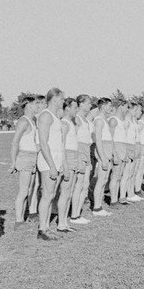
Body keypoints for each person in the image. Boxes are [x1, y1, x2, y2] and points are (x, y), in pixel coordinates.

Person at [36, 89, 65, 239]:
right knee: (47, 195)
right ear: (54, 99)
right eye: (61, 99)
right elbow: (43, 143)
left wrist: (61, 163)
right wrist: (52, 166)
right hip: (48, 160)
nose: (63, 102)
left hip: (56, 159)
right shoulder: (46, 115)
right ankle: (42, 229)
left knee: (52, 194)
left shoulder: (55, 116)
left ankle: (46, 226)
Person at [10, 96, 39, 229]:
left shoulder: (33, 121)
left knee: (31, 188)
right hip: (25, 157)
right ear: (29, 106)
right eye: (35, 104)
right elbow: (15, 142)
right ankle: (18, 221)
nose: (37, 106)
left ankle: (27, 216)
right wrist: (13, 162)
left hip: (33, 156)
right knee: (23, 190)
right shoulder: (23, 121)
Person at [70, 95, 94, 223]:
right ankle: (74, 215)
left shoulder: (86, 120)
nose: (90, 105)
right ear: (81, 104)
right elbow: (73, 138)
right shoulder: (77, 119)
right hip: (79, 150)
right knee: (79, 184)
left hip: (86, 150)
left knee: (85, 184)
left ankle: (78, 213)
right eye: (88, 103)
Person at [57, 98, 79, 233]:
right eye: (74, 107)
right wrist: (65, 166)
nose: (76, 110)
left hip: (74, 156)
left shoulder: (71, 123)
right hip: (68, 158)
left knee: (70, 192)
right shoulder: (64, 124)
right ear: (67, 108)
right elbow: (62, 147)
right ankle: (61, 223)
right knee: (65, 192)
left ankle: (64, 222)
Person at [91, 98, 114, 217]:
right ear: (103, 106)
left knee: (104, 180)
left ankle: (99, 205)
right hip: (103, 152)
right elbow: (98, 141)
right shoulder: (99, 120)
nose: (111, 108)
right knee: (101, 180)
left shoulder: (105, 120)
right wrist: (103, 158)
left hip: (107, 151)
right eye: (109, 106)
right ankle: (96, 207)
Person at [107, 102, 128, 205]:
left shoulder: (121, 121)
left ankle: (117, 197)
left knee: (119, 175)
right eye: (126, 107)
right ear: (120, 106)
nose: (127, 109)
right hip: (117, 148)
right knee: (115, 176)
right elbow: (110, 138)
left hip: (122, 148)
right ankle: (113, 200)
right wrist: (114, 153)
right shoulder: (113, 120)